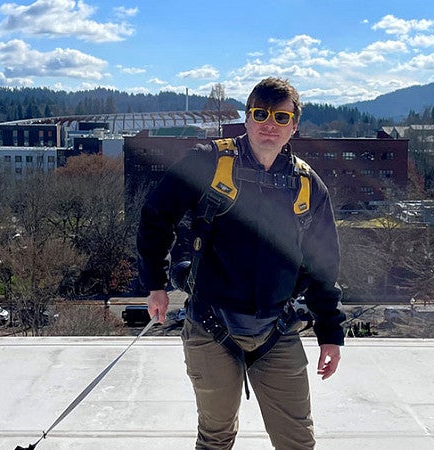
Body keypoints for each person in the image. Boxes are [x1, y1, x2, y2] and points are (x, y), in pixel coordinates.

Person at [136, 77, 344, 449]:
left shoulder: (308, 187)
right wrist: (155, 283)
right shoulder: (209, 161)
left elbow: (323, 265)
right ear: (246, 119)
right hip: (211, 324)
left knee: (297, 441)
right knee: (216, 438)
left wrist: (330, 334)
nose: (269, 124)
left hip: (277, 329)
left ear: (293, 126)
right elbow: (156, 214)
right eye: (260, 114)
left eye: (281, 117)